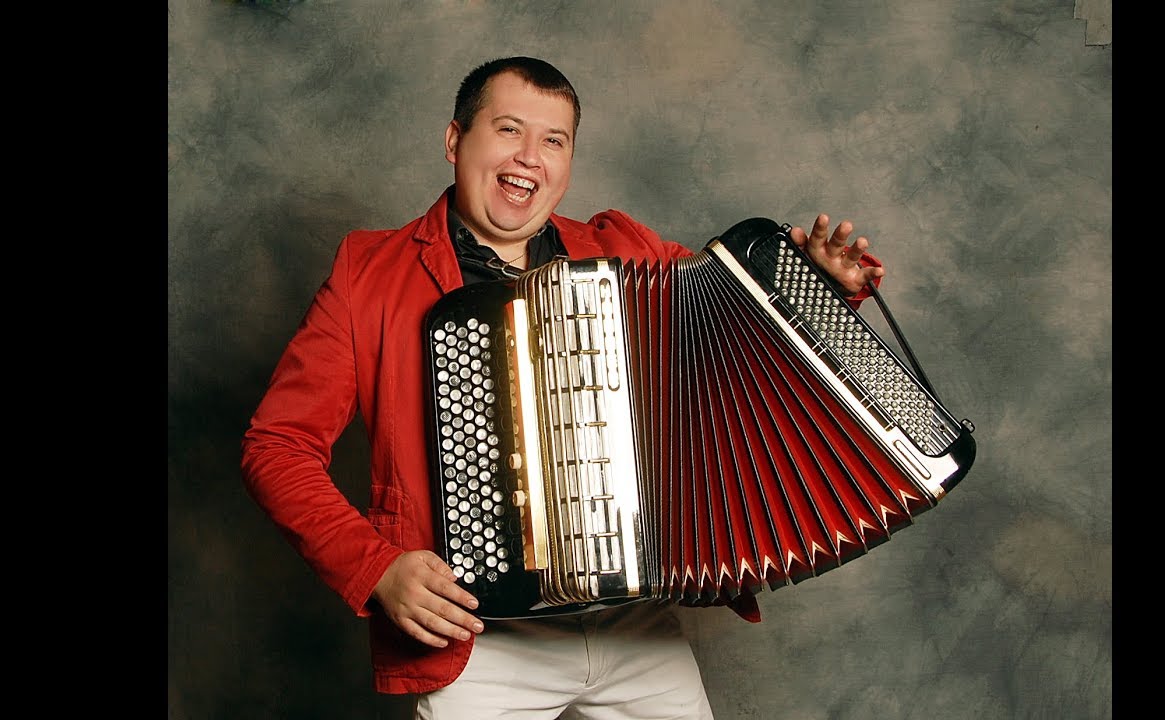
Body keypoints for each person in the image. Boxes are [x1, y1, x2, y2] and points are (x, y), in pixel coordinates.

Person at [241, 55, 885, 720]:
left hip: (637, 623)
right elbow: (276, 447)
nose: (530, 157)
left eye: (553, 140)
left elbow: (736, 335)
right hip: (480, 641)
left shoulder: (623, 246)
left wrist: (814, 287)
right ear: (455, 140)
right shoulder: (368, 272)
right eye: (509, 130)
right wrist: (374, 568)